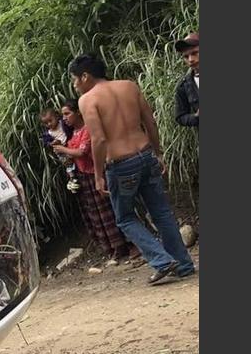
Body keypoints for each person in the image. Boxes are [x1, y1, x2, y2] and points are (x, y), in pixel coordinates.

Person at [69, 53, 195, 285]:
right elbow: (150, 122)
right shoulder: (129, 86)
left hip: (120, 164)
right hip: (145, 154)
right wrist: (157, 152)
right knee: (162, 213)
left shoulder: (87, 100)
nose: (75, 85)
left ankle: (161, 260)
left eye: (75, 79)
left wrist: (98, 175)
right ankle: (184, 265)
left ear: (85, 76)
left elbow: (98, 140)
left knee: (125, 218)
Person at [52, 99, 135, 263]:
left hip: (96, 173)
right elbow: (71, 157)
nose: (65, 118)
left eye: (67, 113)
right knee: (96, 215)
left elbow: (82, 152)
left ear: (77, 112)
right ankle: (111, 248)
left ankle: (126, 245)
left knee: (108, 210)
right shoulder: (71, 134)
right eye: (63, 115)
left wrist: (63, 149)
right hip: (83, 177)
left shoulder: (88, 130)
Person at [174, 31, 199, 129]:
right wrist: (196, 117)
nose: (190, 59)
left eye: (195, 53)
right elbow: (180, 116)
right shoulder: (184, 85)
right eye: (186, 56)